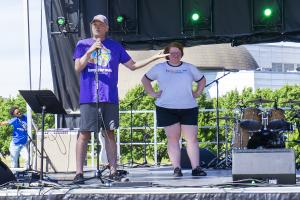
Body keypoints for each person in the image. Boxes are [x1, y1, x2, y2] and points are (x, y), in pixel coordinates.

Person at [73, 14, 167, 184]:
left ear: (107, 27)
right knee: (84, 134)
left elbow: (133, 65)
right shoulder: (82, 44)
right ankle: (79, 173)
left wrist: (154, 58)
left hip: (109, 96)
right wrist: (90, 51)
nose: (97, 27)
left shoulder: (115, 46)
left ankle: (113, 170)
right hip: (89, 96)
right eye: (94, 24)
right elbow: (78, 67)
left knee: (109, 133)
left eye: (101, 24)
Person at [141, 42, 207, 177]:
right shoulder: (159, 68)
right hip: (166, 108)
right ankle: (177, 168)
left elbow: (202, 80)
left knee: (192, 138)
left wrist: (198, 92)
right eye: (172, 53)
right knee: (173, 138)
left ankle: (196, 168)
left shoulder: (189, 67)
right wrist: (152, 93)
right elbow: (145, 80)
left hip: (188, 107)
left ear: (181, 54)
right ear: (167, 55)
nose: (175, 55)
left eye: (178, 53)